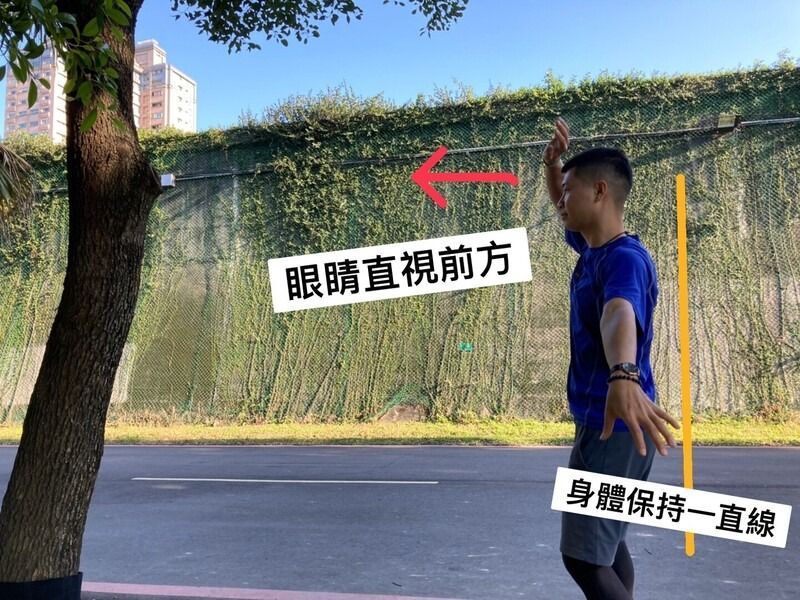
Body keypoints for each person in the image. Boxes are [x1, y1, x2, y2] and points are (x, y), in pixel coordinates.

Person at [542, 117, 680, 600]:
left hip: (614, 424)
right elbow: (565, 207)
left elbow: (619, 312)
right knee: (608, 542)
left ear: (600, 191)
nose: (561, 201)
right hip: (602, 422)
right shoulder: (593, 249)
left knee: (582, 557)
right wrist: (553, 166)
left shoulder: (624, 259)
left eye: (570, 191)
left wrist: (624, 374)